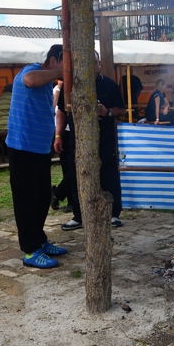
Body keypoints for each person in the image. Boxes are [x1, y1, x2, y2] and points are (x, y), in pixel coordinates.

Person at [6, 44, 68, 269]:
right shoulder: (30, 70)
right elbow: (30, 80)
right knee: (25, 200)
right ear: (53, 60)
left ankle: (40, 239)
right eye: (64, 63)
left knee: (42, 197)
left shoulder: (47, 83)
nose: (66, 69)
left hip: (40, 149)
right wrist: (61, 73)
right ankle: (30, 250)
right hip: (22, 148)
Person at [59, 51, 126, 231]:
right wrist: (58, 135)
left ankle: (113, 214)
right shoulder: (71, 85)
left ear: (99, 64)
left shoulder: (109, 85)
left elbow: (121, 110)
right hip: (78, 139)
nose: (91, 66)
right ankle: (79, 215)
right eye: (87, 63)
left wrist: (106, 112)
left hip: (105, 140)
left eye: (94, 62)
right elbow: (61, 111)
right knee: (78, 175)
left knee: (109, 174)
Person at [51, 80, 75, 212]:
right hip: (65, 131)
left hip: (74, 132)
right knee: (69, 168)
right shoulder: (59, 90)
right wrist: (58, 136)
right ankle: (68, 199)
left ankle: (58, 193)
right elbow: (57, 109)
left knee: (74, 169)